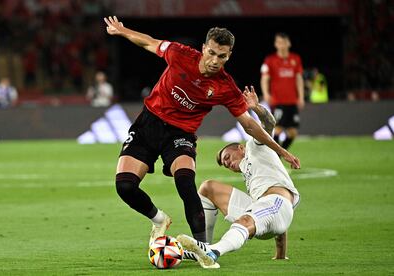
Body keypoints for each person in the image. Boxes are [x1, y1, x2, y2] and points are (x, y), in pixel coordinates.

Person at [103, 16, 300, 246]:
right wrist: (123, 30)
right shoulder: (180, 54)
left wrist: (281, 151)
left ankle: (202, 249)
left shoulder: (225, 87)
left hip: (180, 135)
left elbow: (248, 124)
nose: (215, 60)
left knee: (186, 185)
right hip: (149, 124)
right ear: (204, 48)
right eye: (212, 53)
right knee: (125, 186)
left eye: (222, 56)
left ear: (229, 56)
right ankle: (159, 220)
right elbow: (149, 42)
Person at [177, 87, 300, 268]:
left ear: (240, 148)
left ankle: (213, 252)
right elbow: (272, 214)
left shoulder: (256, 145)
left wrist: (256, 107)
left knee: (251, 216)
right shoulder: (252, 179)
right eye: (225, 164)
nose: (228, 163)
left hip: (277, 205)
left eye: (227, 157)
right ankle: (203, 246)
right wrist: (281, 255)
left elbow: (269, 122)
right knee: (207, 187)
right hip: (265, 208)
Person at [260, 32, 304, 150]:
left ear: (288, 43)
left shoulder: (295, 59)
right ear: (275, 44)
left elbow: (299, 79)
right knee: (278, 129)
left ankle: (280, 154)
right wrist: (266, 93)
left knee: (293, 132)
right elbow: (265, 78)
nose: (281, 45)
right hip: (277, 101)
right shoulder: (270, 60)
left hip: (292, 101)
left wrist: (301, 96)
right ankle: (276, 156)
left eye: (283, 42)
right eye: (279, 42)